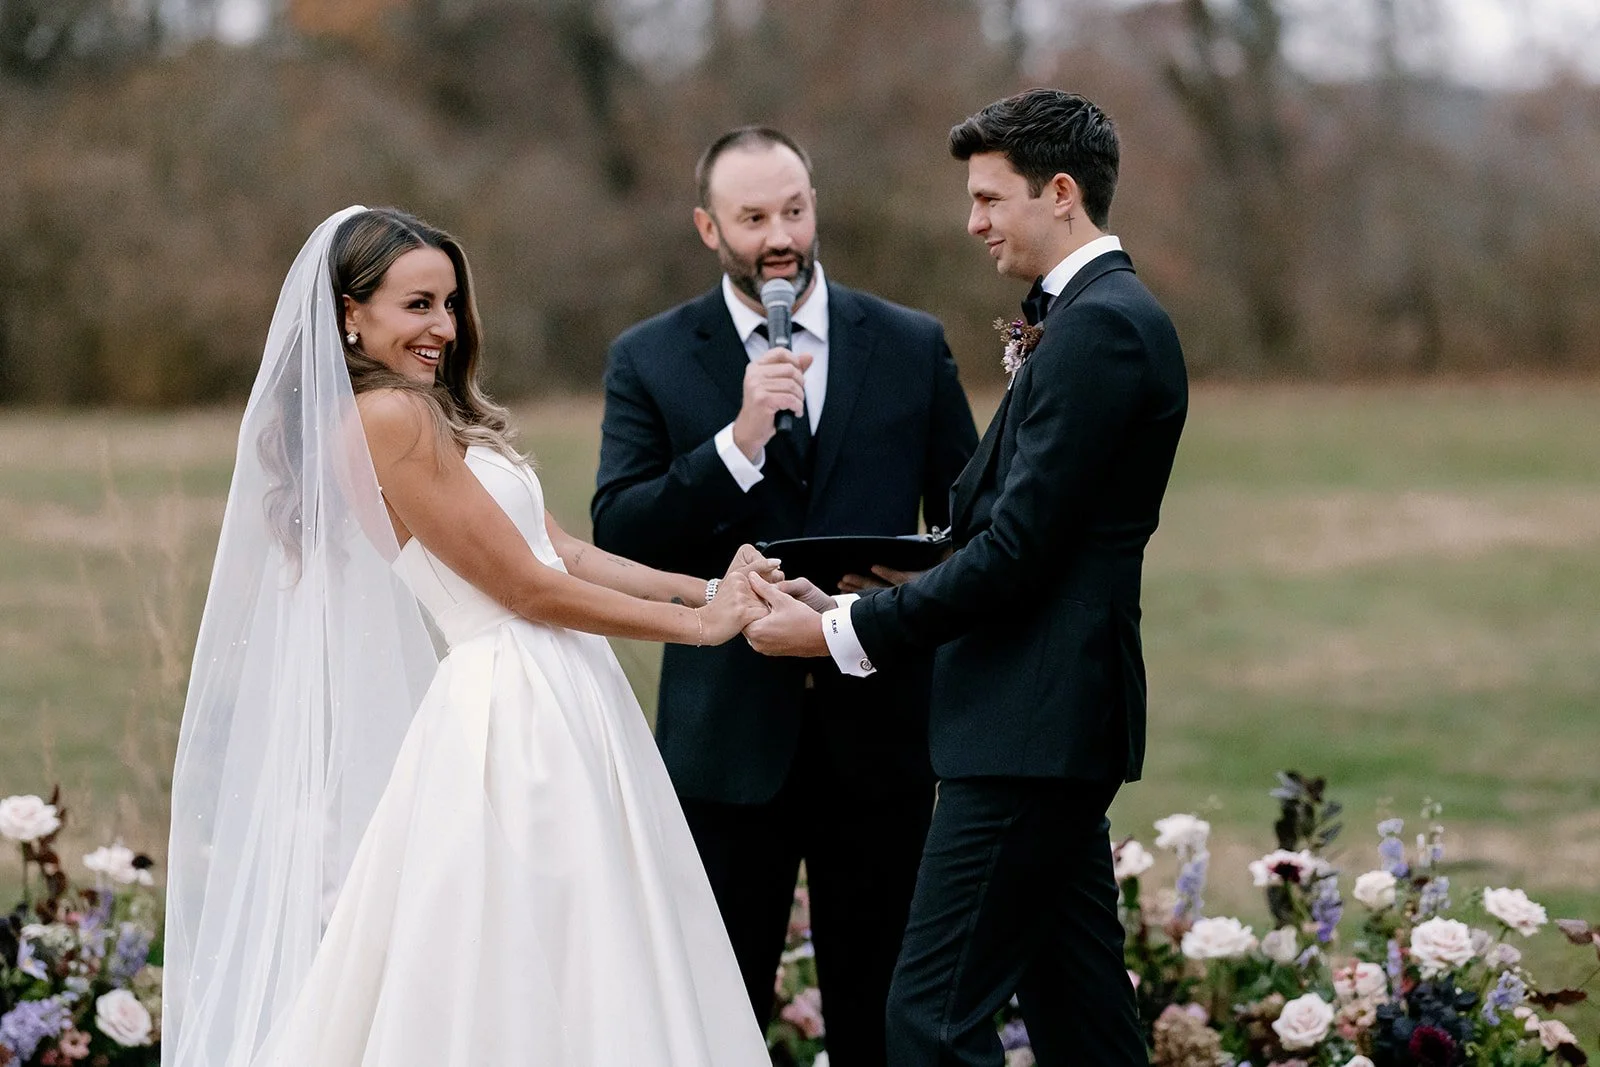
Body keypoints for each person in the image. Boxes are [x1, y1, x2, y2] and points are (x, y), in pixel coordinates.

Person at [162, 206, 775, 1067]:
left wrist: (712, 586)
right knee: (547, 937)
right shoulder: (387, 420)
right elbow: (524, 588)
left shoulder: (427, 412)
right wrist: (699, 628)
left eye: (449, 304)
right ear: (350, 313)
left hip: (556, 685)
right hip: (512, 704)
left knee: (591, 929)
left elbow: (557, 549)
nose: (443, 329)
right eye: (417, 305)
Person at [745, 89, 1188, 1067]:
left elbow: (1019, 554)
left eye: (989, 197)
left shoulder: (1102, 328)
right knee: (1081, 1014)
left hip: (1032, 725)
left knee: (929, 1021)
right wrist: (858, 595)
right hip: (1043, 721)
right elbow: (1014, 530)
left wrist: (837, 634)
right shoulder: (1084, 320)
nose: (973, 220)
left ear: (1059, 193)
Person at [590, 127, 979, 1062]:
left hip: (880, 733)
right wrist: (737, 444)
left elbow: (970, 521)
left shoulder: (909, 342)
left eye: (794, 211)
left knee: (881, 1012)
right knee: (710, 1013)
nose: (780, 235)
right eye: (754, 216)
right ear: (706, 226)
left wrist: (892, 578)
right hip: (727, 743)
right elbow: (617, 530)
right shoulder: (648, 357)